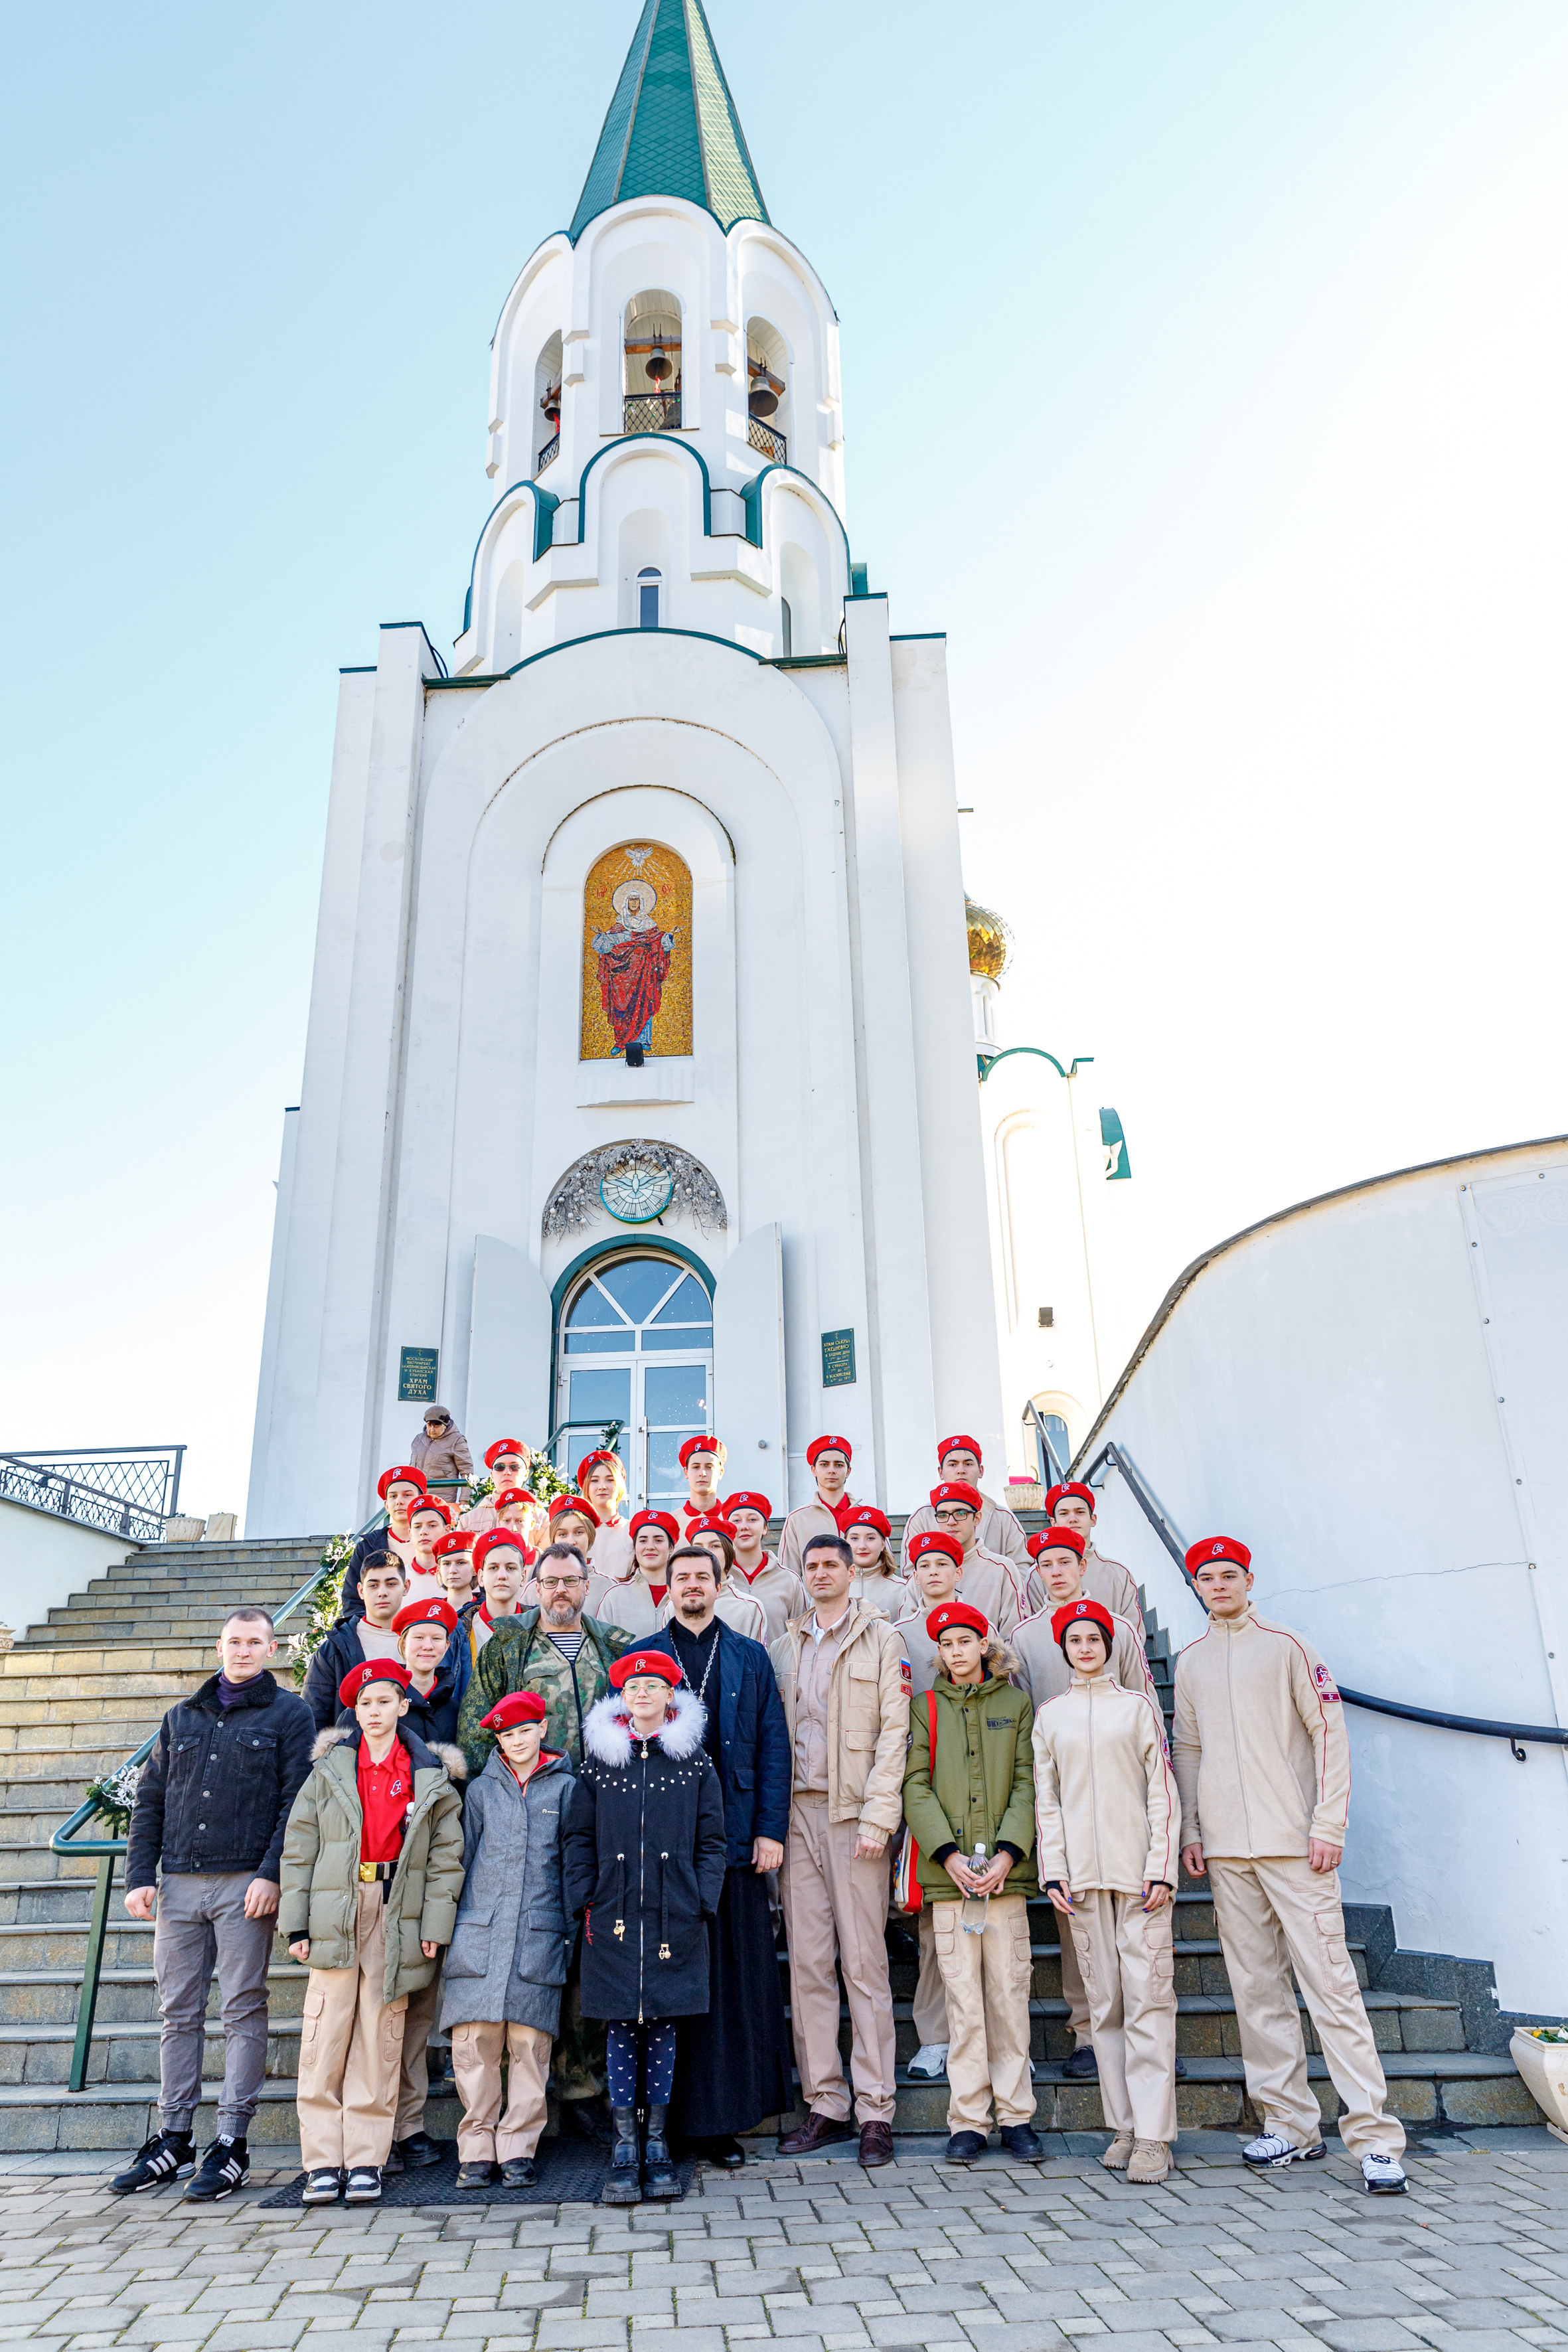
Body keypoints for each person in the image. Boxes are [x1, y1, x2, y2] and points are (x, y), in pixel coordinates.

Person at [1173, 1536, 1408, 2194]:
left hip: (1296, 1846)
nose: (1217, 1585)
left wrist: (1327, 1823)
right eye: (1206, 1578)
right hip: (1227, 1852)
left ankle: (1373, 2138)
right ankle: (1291, 2127)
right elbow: (1186, 1750)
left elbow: (1328, 1733)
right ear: (1195, 1587)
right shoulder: (1189, 1662)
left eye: (1228, 1575)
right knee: (1255, 1992)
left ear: (1249, 1580)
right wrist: (1192, 1829)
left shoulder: (1288, 1647)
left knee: (1330, 1987)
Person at [112, 1607, 315, 2201]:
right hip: (176, 1882)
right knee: (177, 2010)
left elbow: (294, 1801)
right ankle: (174, 2134)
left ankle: (231, 2142)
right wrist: (139, 1876)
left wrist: (271, 1872)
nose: (244, 1650)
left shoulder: (291, 1714)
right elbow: (150, 1798)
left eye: (255, 1641)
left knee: (242, 2008)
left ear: (272, 1648)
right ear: (219, 1646)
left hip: (242, 1885)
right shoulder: (182, 1716)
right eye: (234, 1641)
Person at [455, 1540, 635, 2133]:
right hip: (524, 1812)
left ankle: (583, 2087)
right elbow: (480, 1727)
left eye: (572, 1581)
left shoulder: (615, 1646)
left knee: (587, 1952)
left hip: (595, 1818)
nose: (561, 1590)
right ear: (535, 1585)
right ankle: (513, 2098)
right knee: (528, 1948)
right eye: (551, 1580)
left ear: (588, 1585)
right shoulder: (509, 1641)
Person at [280, 1660, 465, 2207]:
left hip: (396, 1909)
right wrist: (297, 1921)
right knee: (324, 2037)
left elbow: (444, 1857)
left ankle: (365, 2157)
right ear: (354, 1712)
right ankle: (321, 2161)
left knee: (381, 2038)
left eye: (385, 1701)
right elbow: (299, 1848)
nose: (375, 1711)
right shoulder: (330, 1770)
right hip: (336, 1907)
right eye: (365, 1704)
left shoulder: (429, 1773)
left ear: (403, 1706)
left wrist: (434, 1925)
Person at [642, 1549, 793, 2165]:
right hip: (666, 1847)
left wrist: (769, 1830)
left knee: (732, 1985)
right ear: (669, 1587)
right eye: (682, 1578)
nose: (692, 1586)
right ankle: (665, 2125)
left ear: (721, 1583)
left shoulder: (749, 1655)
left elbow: (774, 1745)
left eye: (703, 1576)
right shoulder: (645, 1653)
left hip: (734, 1843)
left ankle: (724, 2121)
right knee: (674, 1981)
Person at [563, 1650, 728, 2204]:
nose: (642, 1694)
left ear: (670, 1695)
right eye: (633, 1686)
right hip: (610, 1916)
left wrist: (699, 1898)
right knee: (617, 2025)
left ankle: (657, 2143)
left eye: (653, 1686)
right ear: (622, 1697)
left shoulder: (695, 1764)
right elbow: (577, 1837)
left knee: (661, 2024)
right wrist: (587, 1892)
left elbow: (713, 1841)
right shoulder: (597, 1764)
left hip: (672, 1914)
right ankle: (624, 2144)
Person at [771, 1534, 909, 2167]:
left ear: (855, 1572)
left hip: (854, 1816)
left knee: (864, 1964)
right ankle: (825, 2100)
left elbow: (894, 1736)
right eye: (813, 1565)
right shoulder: (785, 1645)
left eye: (833, 1564)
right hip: (797, 1813)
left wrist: (880, 1819)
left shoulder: (882, 1640)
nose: (822, 1572)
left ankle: (876, 2107)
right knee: (809, 1964)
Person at [1035, 1600, 1180, 2183]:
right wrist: (1055, 1869)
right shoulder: (1052, 1715)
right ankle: (1123, 2126)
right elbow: (1047, 1798)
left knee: (1148, 2002)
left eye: (1095, 1637)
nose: (1087, 1647)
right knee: (1106, 2009)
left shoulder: (1138, 1709)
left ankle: (1154, 2136)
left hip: (1139, 1879)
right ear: (1064, 1649)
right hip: (1083, 1883)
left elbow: (1161, 1792)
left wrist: (1162, 1865)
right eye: (1076, 1640)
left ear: (1109, 1645)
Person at [1012, 1524, 1156, 2082]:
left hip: (1121, 1788)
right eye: (1045, 1563)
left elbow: (1145, 1703)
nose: (1056, 1571)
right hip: (1064, 1790)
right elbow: (1024, 1719)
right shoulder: (1024, 1636)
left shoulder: (1117, 1628)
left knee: (1137, 1923)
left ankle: (1147, 2033)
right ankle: (1088, 2031)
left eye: (1064, 1561)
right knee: (1078, 1923)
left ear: (1082, 1566)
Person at [902, 1601, 1042, 2162]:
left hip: (1005, 1880)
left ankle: (1016, 2115)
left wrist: (1009, 1853)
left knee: (1008, 1995)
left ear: (984, 1644)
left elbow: (1029, 1781)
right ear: (939, 1651)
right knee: (963, 2000)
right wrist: (949, 1855)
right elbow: (915, 1784)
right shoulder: (925, 1707)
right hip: (950, 1880)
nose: (956, 1651)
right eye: (947, 1643)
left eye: (966, 1641)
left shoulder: (1016, 1703)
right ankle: (968, 2119)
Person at [444, 1690, 576, 2190]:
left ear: (543, 1729)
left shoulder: (565, 1789)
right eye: (506, 1734)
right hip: (480, 1933)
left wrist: (567, 1928)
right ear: (497, 1740)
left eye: (524, 1730)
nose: (516, 1741)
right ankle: (477, 2148)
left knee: (529, 2046)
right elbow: (462, 1857)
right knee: (474, 2046)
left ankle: (518, 2146)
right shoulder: (480, 1791)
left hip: (537, 1934)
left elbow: (570, 1864)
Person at [900, 1435, 1032, 1583]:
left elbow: (1021, 1569)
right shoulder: (921, 1518)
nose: (961, 1471)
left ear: (981, 1471)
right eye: (953, 1465)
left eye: (968, 1464)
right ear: (941, 1472)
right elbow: (912, 1573)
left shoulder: (1003, 1518)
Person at [305, 1553, 409, 1733]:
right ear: (361, 1591)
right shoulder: (334, 1649)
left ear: (406, 1587)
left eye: (391, 1584)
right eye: (373, 1585)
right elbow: (314, 1719)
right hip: (351, 1755)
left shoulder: (423, 1643)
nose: (382, 1592)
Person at [923, 1480, 1026, 1634]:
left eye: (960, 1513)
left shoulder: (1002, 1569)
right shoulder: (924, 1571)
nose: (951, 1522)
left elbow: (1014, 1636)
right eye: (943, 1515)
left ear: (977, 1518)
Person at [1043, 1482, 1143, 1633]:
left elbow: (1134, 1634)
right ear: (1053, 1523)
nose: (1072, 1519)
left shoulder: (1119, 1574)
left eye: (1080, 1512)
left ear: (1093, 1519)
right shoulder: (1040, 1576)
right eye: (1064, 1514)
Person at [339, 1466, 426, 1620]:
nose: (399, 1501)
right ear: (386, 1505)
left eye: (407, 1495)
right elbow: (352, 1599)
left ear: (420, 1500)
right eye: (393, 1496)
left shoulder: (435, 1542)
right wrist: (369, 1629)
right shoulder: (368, 1546)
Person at [724, 1490, 805, 1640]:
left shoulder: (789, 1580)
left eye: (752, 1520)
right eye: (736, 1521)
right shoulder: (719, 1580)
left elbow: (802, 1635)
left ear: (765, 1528)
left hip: (777, 1664)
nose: (744, 1527)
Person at [777, 1435, 858, 1578]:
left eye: (838, 1465)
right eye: (824, 1464)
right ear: (814, 1470)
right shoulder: (797, 1519)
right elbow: (789, 1576)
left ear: (848, 1471)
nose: (831, 1470)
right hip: (815, 1599)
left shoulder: (866, 1515)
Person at [592, 1508, 680, 1638]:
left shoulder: (684, 1594)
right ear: (634, 1547)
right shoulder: (614, 1597)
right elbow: (603, 1649)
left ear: (671, 1548)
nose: (650, 1547)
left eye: (658, 1540)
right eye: (643, 1541)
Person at [681, 1522, 769, 1641]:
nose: (706, 1553)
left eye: (715, 1546)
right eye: (698, 1547)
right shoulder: (675, 1604)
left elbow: (757, 1658)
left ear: (728, 1553)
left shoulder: (750, 1607)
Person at [461, 1439, 548, 1553]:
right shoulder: (469, 1520)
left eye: (514, 1467)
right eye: (500, 1467)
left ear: (526, 1474)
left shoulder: (542, 1518)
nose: (507, 1472)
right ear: (492, 1475)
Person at [579, 1447, 633, 1584]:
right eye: (595, 1480)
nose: (602, 1486)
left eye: (610, 1480)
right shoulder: (576, 1531)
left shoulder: (633, 1530)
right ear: (586, 1487)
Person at [841, 1505, 907, 1616]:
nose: (862, 1546)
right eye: (855, 1538)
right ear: (845, 1543)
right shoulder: (832, 1586)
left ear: (883, 1544)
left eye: (870, 1538)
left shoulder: (903, 1590)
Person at [410, 1404, 473, 1497]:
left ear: (445, 1425)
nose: (432, 1430)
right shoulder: (419, 1439)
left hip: (442, 1497)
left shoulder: (457, 1440)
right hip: (417, 1494)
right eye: (429, 1425)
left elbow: (467, 1472)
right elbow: (412, 1467)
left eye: (437, 1426)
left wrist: (465, 1499)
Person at [402, 1495, 451, 1607]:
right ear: (410, 1533)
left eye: (432, 1525)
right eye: (417, 1527)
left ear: (447, 1530)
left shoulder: (460, 1576)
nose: (423, 1532)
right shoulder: (399, 1578)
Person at [678, 1433, 727, 1528]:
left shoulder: (732, 1520)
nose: (702, 1473)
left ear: (720, 1473)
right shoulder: (673, 1522)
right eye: (696, 1467)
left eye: (709, 1467)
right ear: (686, 1472)